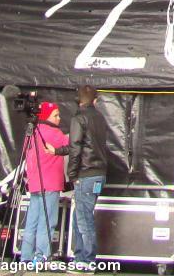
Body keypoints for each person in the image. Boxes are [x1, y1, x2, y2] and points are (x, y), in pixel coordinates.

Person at [19, 102, 69, 265]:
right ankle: (41, 257)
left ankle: (25, 256)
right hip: (51, 184)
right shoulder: (56, 133)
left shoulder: (32, 132)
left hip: (34, 184)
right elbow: (71, 146)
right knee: (47, 221)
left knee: (32, 220)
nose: (59, 118)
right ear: (47, 116)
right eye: (56, 115)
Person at [66, 85, 108, 267]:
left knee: (83, 219)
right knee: (80, 216)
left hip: (85, 174)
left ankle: (86, 261)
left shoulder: (79, 118)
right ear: (95, 100)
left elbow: (76, 147)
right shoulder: (100, 118)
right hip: (99, 175)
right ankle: (80, 257)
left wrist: (72, 174)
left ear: (79, 100)